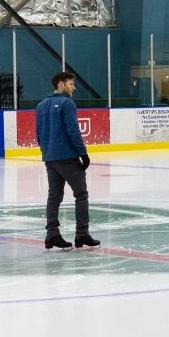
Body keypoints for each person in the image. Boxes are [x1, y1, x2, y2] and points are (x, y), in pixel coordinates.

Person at [35, 71, 99, 250]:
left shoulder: (41, 106)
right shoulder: (67, 103)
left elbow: (38, 135)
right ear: (61, 85)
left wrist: (48, 152)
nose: (74, 87)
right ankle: (82, 234)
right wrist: (83, 153)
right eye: (71, 84)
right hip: (67, 157)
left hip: (50, 158)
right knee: (81, 194)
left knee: (54, 196)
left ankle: (52, 234)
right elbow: (73, 130)